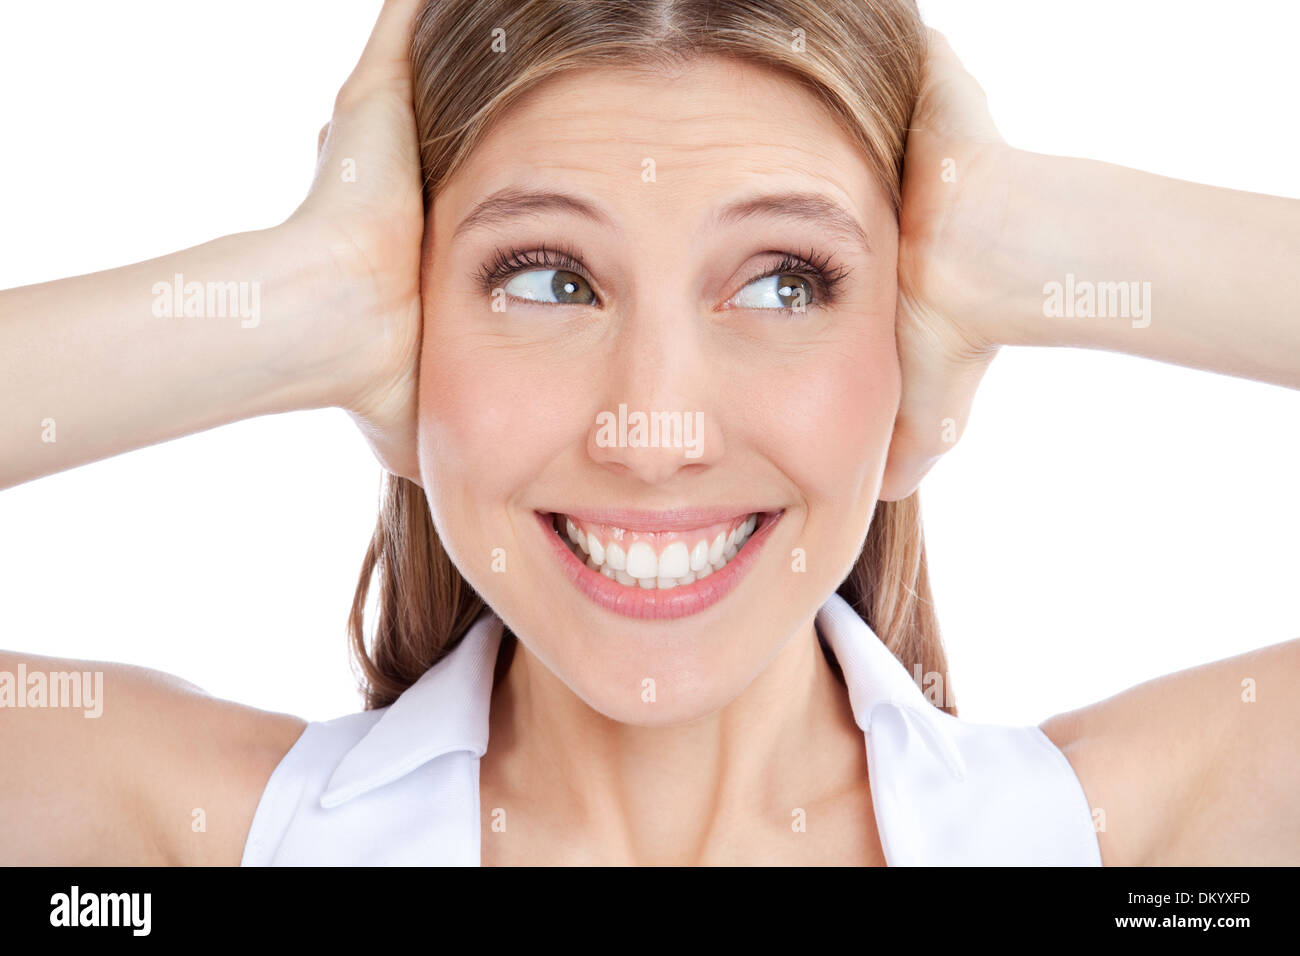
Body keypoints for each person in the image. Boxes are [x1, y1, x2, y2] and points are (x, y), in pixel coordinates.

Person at [1, 0, 1296, 866]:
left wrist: (1034, 237)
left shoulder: (1118, 845)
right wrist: (301, 301)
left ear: (907, 345)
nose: (655, 429)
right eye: (548, 280)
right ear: (411, 333)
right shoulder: (196, 837)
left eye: (785, 284)